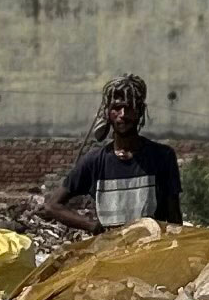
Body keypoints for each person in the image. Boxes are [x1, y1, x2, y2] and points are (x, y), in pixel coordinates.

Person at [41, 73, 182, 235]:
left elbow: (174, 217)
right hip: (111, 254)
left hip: (151, 253)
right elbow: (53, 206)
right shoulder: (94, 161)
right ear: (107, 113)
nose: (122, 114)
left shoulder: (161, 157)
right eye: (116, 108)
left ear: (140, 111)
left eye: (129, 107)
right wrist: (92, 226)